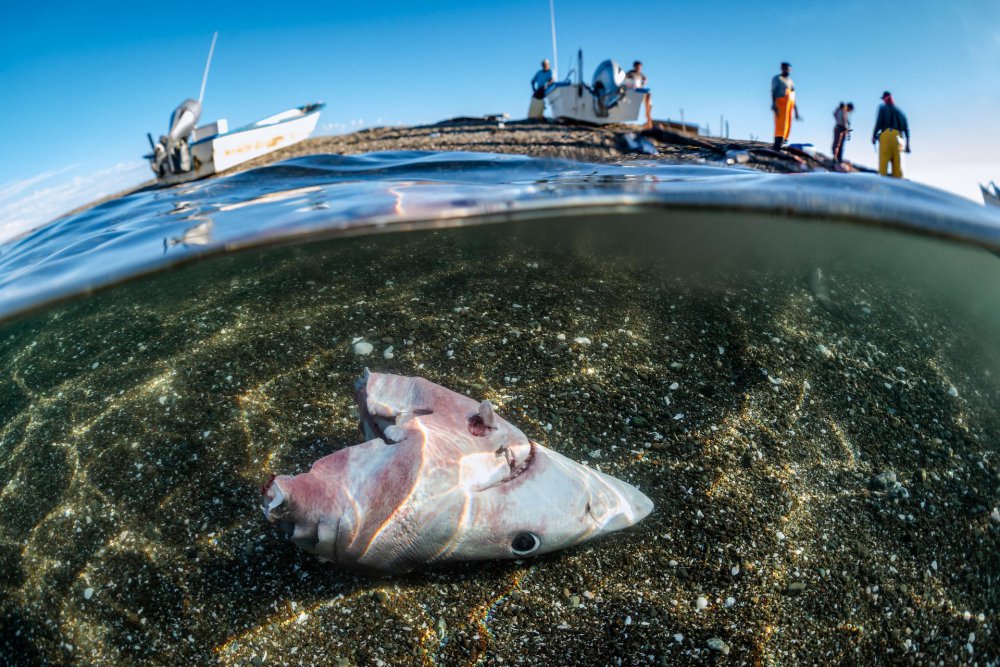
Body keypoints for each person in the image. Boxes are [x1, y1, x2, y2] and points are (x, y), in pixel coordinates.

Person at [872, 91, 910, 178]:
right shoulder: (901, 112)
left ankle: (881, 188)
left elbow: (878, 123)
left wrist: (874, 136)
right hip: (900, 139)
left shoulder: (882, 108)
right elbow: (907, 130)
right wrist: (907, 144)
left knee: (883, 168)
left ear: (885, 98)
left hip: (886, 136)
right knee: (898, 170)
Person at [771, 62, 801, 150]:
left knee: (787, 124)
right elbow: (773, 92)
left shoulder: (790, 81)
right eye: (785, 68)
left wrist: (796, 111)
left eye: (789, 69)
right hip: (780, 104)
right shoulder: (777, 79)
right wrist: (774, 104)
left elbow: (793, 95)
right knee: (780, 124)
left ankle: (784, 141)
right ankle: (778, 143)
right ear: (782, 68)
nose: (787, 70)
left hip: (789, 106)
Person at [625, 60, 653, 129]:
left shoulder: (641, 75)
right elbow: (624, 81)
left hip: (640, 91)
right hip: (632, 92)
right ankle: (648, 117)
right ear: (634, 67)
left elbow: (645, 81)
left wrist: (644, 81)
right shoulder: (630, 73)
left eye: (640, 67)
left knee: (649, 98)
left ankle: (648, 118)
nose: (639, 68)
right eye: (637, 67)